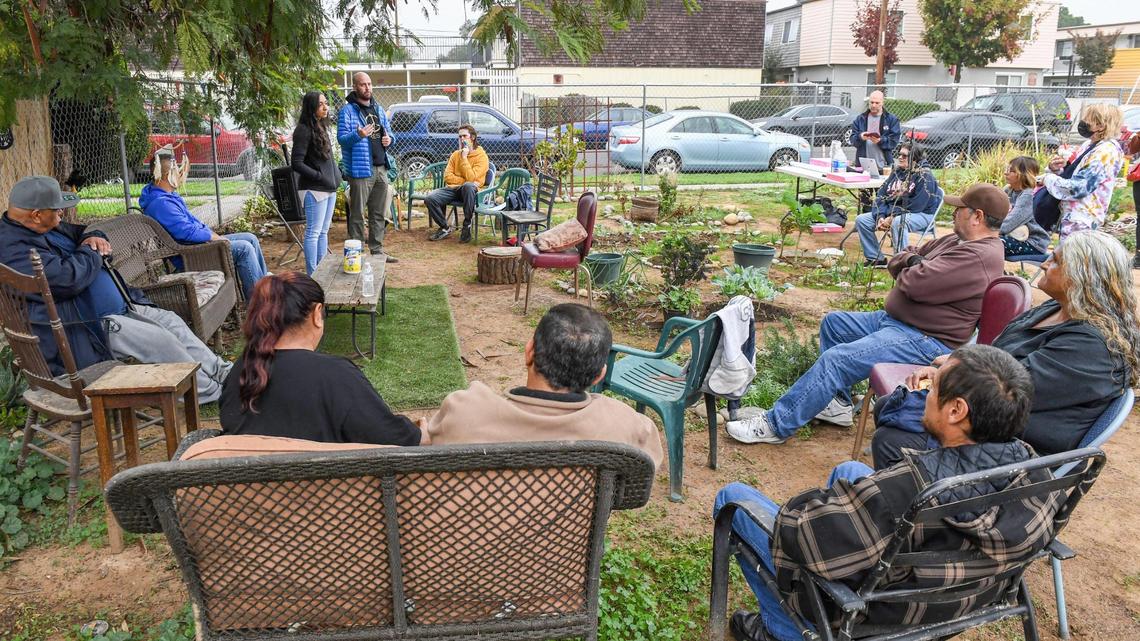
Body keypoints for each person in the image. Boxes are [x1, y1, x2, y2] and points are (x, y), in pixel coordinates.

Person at [717, 345, 1058, 641]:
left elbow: (802, 539)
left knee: (733, 498)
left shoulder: (907, 489)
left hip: (884, 613)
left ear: (956, 411)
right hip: (952, 601)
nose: (925, 393)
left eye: (933, 386)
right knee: (849, 472)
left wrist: (809, 507)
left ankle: (783, 632)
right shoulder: (1038, 475)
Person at [726, 183, 1008, 445]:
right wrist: (913, 262)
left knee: (837, 361)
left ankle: (777, 425)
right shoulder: (956, 242)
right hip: (900, 323)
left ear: (977, 216)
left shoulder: (979, 257)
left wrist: (911, 267)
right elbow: (904, 254)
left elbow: (913, 282)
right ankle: (838, 404)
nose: (954, 213)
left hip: (924, 338)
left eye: (959, 209)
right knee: (834, 324)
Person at [872, 230, 1138, 466]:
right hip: (991, 419)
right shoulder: (1056, 308)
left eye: (1056, 261)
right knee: (893, 407)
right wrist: (957, 364)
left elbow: (1010, 392)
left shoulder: (1092, 346)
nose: (1045, 263)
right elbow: (997, 353)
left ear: (1082, 277)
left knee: (892, 435)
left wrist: (950, 377)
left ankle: (929, 513)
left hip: (1016, 448)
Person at [1, 176, 232, 403]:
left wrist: (94, 238)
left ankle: (225, 375)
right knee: (159, 340)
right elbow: (68, 278)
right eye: (57, 209)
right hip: (84, 328)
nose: (62, 214)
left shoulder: (46, 226)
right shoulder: (12, 247)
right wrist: (92, 253)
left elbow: (86, 232)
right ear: (36, 214)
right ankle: (210, 393)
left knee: (171, 322)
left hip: (119, 307)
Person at [425, 303, 664, 469]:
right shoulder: (626, 424)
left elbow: (430, 444)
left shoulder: (465, 409)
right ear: (599, 375)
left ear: (529, 352)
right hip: (568, 543)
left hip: (474, 541)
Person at [220, 272, 426, 445]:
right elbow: (393, 439)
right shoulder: (336, 375)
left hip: (250, 493)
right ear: (317, 314)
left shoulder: (241, 371)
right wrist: (421, 431)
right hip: (330, 491)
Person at [139, 148, 268, 299]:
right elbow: (186, 232)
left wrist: (212, 235)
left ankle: (265, 288)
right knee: (244, 249)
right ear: (166, 175)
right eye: (177, 171)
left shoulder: (167, 196)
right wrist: (215, 238)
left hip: (197, 244)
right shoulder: (160, 204)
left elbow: (191, 225)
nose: (181, 175)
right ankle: (258, 304)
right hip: (190, 254)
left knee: (250, 237)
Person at [337, 72, 397, 263]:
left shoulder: (378, 109)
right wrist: (359, 135)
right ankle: (356, 254)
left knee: (378, 213)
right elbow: (342, 140)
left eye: (370, 84)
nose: (367, 88)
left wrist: (390, 140)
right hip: (361, 170)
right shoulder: (347, 111)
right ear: (355, 87)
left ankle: (377, 251)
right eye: (363, 85)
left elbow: (389, 134)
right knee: (357, 213)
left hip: (381, 168)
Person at [1041, 103, 1124, 240]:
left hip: (1082, 220)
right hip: (1072, 215)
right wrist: (1057, 169)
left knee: (1073, 259)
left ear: (1100, 125)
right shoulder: (1090, 145)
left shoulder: (1105, 152)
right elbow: (1074, 174)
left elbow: (1079, 187)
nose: (1083, 122)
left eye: (1088, 119)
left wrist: (1048, 179)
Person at [853, 143, 940, 266]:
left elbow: (916, 205)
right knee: (862, 220)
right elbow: (881, 195)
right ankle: (876, 259)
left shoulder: (925, 176)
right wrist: (881, 216)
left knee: (899, 222)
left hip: (922, 214)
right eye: (899, 154)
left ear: (914, 158)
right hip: (893, 212)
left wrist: (892, 217)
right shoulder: (897, 172)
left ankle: (901, 262)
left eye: (904, 156)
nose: (900, 157)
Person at [291, 91, 341, 275]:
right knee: (313, 232)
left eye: (326, 103)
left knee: (323, 231)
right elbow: (296, 163)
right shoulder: (303, 130)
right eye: (321, 104)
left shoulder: (321, 126)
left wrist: (336, 174)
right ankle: (313, 274)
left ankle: (323, 270)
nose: (326, 107)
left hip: (329, 188)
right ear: (311, 107)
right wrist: (318, 176)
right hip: (314, 189)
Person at [424, 124, 489, 242]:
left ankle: (467, 226)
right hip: (453, 189)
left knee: (468, 187)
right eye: (460, 137)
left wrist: (464, 159)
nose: (462, 139)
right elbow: (447, 177)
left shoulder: (482, 157)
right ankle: (444, 228)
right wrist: (464, 181)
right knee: (430, 198)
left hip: (471, 192)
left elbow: (472, 178)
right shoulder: (455, 155)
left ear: (472, 137)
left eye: (464, 136)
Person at [999, 156, 1051, 258]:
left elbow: (1009, 224)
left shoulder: (1027, 195)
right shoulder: (1008, 190)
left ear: (1023, 174)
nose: (1006, 173)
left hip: (1032, 242)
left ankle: (992, 273)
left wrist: (985, 231)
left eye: (1011, 171)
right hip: (1012, 235)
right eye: (1007, 169)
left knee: (990, 244)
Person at [849, 90, 901, 168]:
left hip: (884, 165)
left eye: (877, 103)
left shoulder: (891, 120)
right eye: (871, 102)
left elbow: (894, 141)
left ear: (882, 102)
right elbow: (853, 140)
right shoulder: (860, 119)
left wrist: (880, 140)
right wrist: (861, 137)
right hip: (863, 165)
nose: (873, 105)